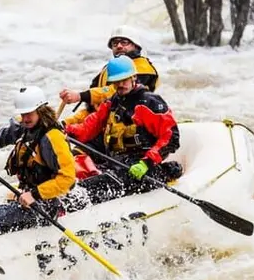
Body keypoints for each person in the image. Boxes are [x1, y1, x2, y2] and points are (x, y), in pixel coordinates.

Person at [0, 86, 77, 250]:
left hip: (47, 204)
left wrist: (34, 194)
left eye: (29, 114)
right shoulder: (25, 128)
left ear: (41, 110)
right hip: (27, 197)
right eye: (23, 114)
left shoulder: (53, 139)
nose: (25, 119)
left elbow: (67, 178)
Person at [65, 56, 181, 206]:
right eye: (117, 81)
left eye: (124, 80)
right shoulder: (113, 101)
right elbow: (88, 128)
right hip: (115, 162)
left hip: (141, 166)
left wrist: (147, 162)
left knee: (92, 187)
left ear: (134, 77)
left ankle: (164, 172)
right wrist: (65, 129)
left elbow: (171, 137)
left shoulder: (149, 102)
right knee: (75, 174)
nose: (121, 84)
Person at [58, 25, 160, 126]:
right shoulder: (108, 70)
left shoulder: (143, 69)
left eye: (124, 42)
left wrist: (80, 96)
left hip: (133, 126)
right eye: (115, 43)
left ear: (136, 46)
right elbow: (93, 110)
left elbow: (113, 92)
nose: (119, 46)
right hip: (107, 126)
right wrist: (66, 123)